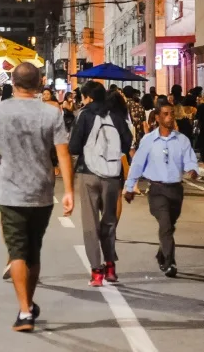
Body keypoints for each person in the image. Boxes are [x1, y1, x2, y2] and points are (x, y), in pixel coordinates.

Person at [0, 63, 74, 332]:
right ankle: (28, 304)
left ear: (13, 83)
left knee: (17, 251)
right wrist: (69, 192)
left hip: (10, 191)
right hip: (42, 191)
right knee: (33, 251)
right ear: (40, 83)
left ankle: (25, 311)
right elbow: (63, 154)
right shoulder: (52, 112)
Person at [124, 103, 199, 278]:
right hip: (157, 190)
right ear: (157, 118)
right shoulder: (148, 140)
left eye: (172, 114)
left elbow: (190, 160)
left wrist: (192, 170)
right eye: (165, 114)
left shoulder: (182, 140)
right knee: (165, 225)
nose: (170, 117)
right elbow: (137, 164)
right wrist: (129, 187)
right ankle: (169, 262)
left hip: (176, 190)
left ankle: (161, 253)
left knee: (169, 227)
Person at [69, 81, 132, 287]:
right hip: (113, 176)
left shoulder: (84, 115)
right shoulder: (115, 115)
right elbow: (127, 141)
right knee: (109, 222)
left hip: (88, 174)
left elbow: (74, 146)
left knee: (90, 224)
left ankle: (97, 272)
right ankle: (111, 267)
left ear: (88, 97)